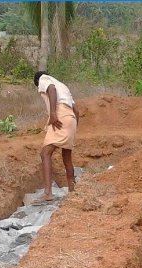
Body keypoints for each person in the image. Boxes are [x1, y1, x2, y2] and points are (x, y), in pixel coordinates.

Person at [34, 71, 80, 202]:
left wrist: (53, 114)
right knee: (67, 156)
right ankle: (72, 190)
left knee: (45, 153)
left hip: (61, 116)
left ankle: (47, 193)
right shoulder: (64, 87)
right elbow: (76, 110)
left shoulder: (44, 79)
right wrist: (73, 127)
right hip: (72, 119)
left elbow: (51, 89)